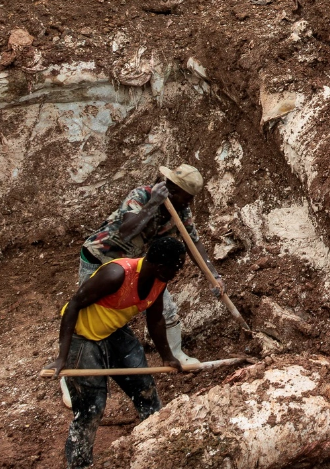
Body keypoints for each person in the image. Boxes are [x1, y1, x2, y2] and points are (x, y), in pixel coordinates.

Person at [55, 234, 190, 469]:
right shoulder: (116, 274)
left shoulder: (159, 280)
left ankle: (158, 450)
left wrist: (168, 356)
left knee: (145, 390)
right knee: (91, 407)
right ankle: (79, 464)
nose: (177, 273)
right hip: (83, 335)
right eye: (175, 268)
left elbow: (155, 319)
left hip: (114, 331)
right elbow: (73, 305)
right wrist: (62, 357)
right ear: (160, 265)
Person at [78, 165, 214, 375]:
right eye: (187, 198)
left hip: (136, 263)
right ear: (173, 191)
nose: (189, 203)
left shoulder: (181, 209)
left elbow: (192, 242)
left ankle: (175, 354)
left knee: (164, 307)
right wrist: (153, 204)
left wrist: (213, 275)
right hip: (100, 257)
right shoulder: (141, 196)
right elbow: (127, 231)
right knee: (89, 311)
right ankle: (76, 365)